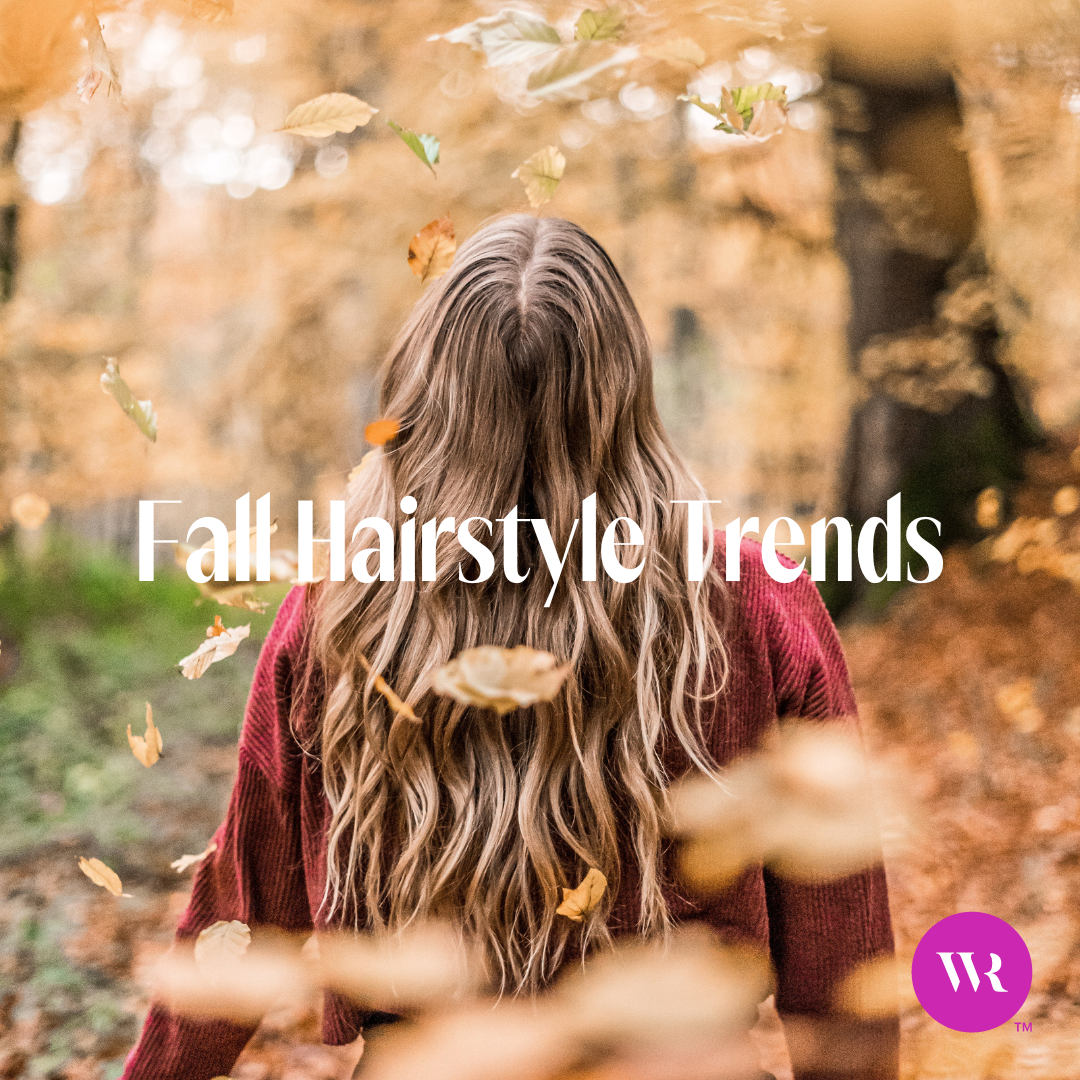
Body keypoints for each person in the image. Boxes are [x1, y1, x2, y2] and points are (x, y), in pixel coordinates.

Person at [120, 215, 898, 1080]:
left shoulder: (340, 610)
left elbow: (239, 915)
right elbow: (841, 954)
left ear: (423, 399)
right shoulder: (752, 599)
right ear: (626, 395)